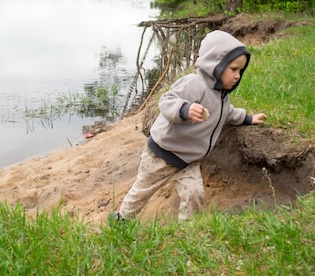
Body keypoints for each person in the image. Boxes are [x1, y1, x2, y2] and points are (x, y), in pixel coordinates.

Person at [112, 30, 267, 222]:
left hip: (188, 161)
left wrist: (248, 119)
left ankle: (186, 230)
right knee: (143, 189)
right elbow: (167, 101)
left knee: (194, 194)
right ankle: (122, 219)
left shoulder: (221, 96)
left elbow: (228, 113)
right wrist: (184, 109)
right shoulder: (195, 83)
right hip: (162, 154)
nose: (237, 76)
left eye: (240, 71)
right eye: (233, 69)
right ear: (215, 65)